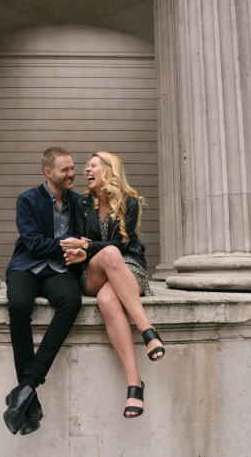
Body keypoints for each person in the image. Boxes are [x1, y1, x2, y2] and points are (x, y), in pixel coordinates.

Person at [62, 152, 165, 418]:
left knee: (108, 300)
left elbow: (122, 245)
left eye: (93, 165)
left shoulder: (129, 202)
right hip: (92, 271)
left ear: (109, 170)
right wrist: (81, 251)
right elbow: (79, 239)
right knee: (107, 255)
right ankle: (147, 329)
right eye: (87, 166)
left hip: (129, 266)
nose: (86, 170)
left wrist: (87, 244)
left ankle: (134, 384)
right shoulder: (81, 202)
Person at [3, 147, 82, 435]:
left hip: (59, 271)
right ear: (48, 172)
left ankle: (25, 389)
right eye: (65, 170)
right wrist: (70, 243)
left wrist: (79, 245)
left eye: (73, 168)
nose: (72, 173)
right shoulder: (27, 200)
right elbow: (34, 244)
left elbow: (87, 240)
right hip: (26, 266)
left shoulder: (78, 203)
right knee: (20, 305)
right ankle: (30, 405)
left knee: (72, 301)